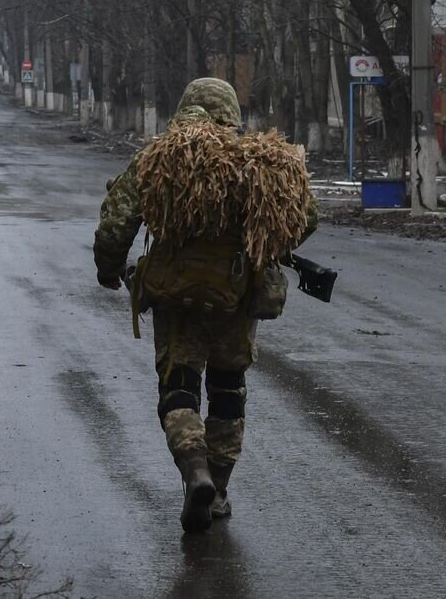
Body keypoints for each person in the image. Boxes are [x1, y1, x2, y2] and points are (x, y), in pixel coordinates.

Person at [93, 78, 316, 533]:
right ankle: (219, 489)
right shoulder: (258, 162)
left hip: (178, 301)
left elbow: (116, 222)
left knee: (179, 384)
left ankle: (194, 470)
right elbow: (304, 217)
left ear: (185, 107)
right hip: (236, 298)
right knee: (227, 388)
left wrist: (109, 269)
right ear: (231, 115)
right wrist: (261, 243)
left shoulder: (162, 155)